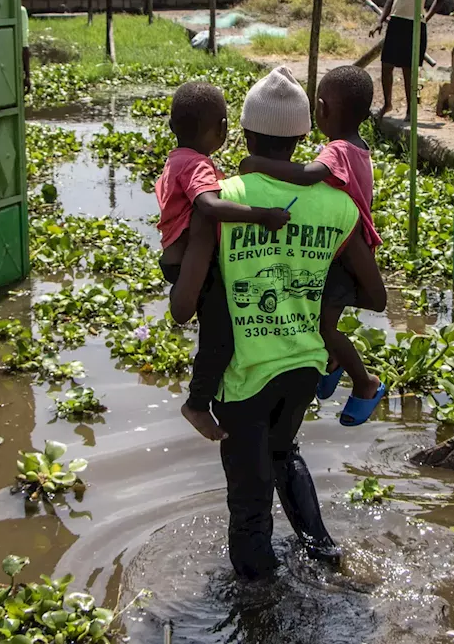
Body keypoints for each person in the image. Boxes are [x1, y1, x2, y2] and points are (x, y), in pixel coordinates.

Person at [171, 68, 389, 580]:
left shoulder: (223, 198)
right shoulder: (339, 205)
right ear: (302, 136)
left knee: (249, 504)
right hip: (304, 367)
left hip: (244, 374)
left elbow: (185, 307)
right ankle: (325, 555)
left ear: (242, 134)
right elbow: (376, 297)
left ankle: (259, 609)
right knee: (283, 451)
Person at [238, 65, 385, 425]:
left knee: (323, 326)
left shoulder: (336, 150)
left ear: (321, 109)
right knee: (322, 317)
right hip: (344, 246)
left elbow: (307, 176)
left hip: (344, 251)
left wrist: (257, 165)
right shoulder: (357, 146)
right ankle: (331, 361)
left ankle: (365, 382)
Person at [155, 80, 292, 442]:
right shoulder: (197, 164)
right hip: (191, 264)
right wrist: (263, 215)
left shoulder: (175, 161)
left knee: (218, 331)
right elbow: (209, 206)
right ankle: (197, 403)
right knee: (221, 338)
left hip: (177, 260)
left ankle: (203, 398)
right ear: (222, 129)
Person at [371, 0, 448, 120]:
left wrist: (426, 17)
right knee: (386, 65)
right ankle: (387, 104)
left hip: (416, 25)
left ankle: (410, 110)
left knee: (410, 69)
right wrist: (381, 20)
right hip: (397, 21)